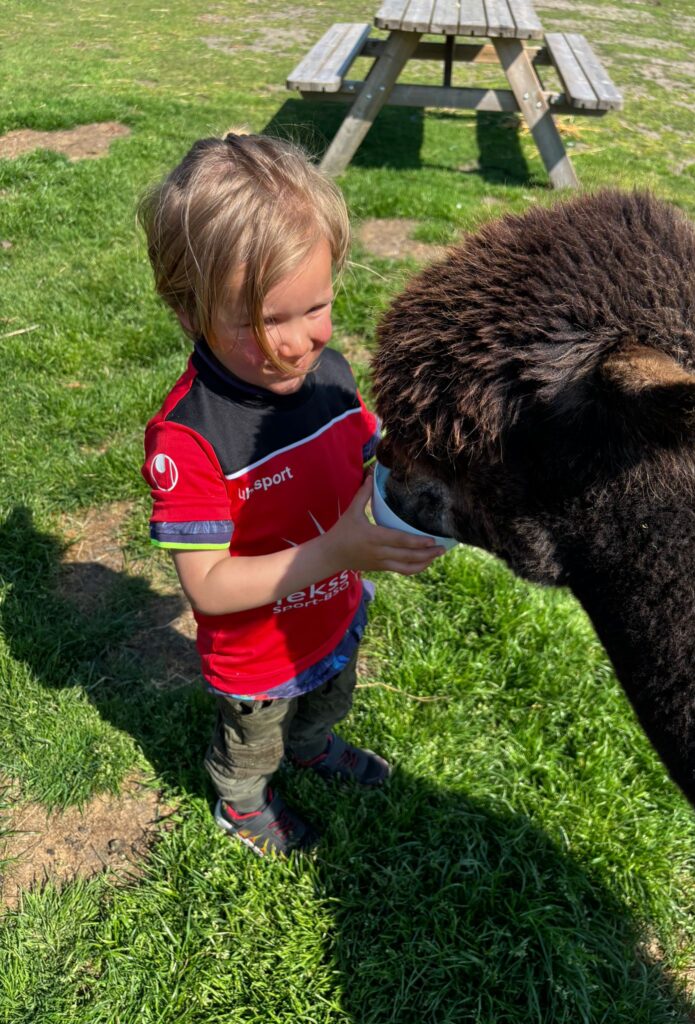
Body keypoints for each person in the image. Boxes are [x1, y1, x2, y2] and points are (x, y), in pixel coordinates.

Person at [138, 132, 444, 856]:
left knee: (330, 697)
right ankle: (242, 804)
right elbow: (208, 588)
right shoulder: (189, 438)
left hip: (336, 613)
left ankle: (314, 745)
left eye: (315, 307)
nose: (295, 343)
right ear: (188, 312)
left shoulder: (331, 370)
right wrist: (337, 547)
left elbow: (366, 449)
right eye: (260, 320)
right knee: (253, 744)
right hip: (257, 663)